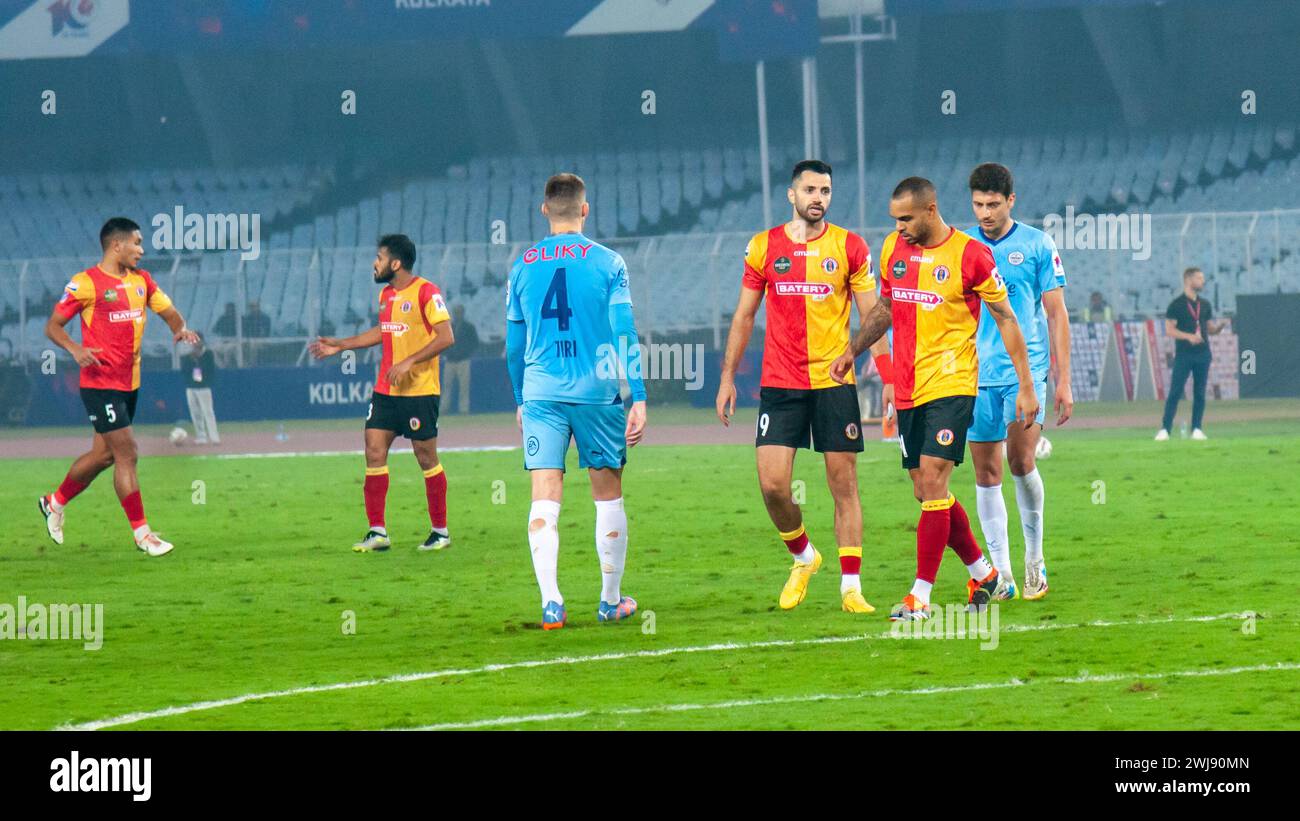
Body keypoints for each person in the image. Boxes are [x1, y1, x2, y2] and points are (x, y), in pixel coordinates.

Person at [830, 177, 1038, 621]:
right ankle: (984, 574)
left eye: (906, 218)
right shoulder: (892, 250)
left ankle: (919, 597)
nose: (899, 227)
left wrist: (1026, 384)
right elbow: (885, 308)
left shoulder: (971, 255)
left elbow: (1005, 317)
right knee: (926, 490)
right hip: (908, 389)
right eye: (894, 219)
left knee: (935, 480)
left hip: (952, 384)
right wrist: (852, 351)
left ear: (930, 209)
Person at [715, 159, 892, 615]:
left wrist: (888, 378)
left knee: (843, 485)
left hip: (834, 383)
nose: (819, 198)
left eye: (826, 190)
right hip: (780, 381)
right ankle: (804, 556)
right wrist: (727, 378)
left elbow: (875, 315)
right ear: (791, 196)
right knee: (773, 485)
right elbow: (744, 316)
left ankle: (851, 588)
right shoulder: (763, 247)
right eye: (810, 189)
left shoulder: (850, 247)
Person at [506, 172, 646, 630]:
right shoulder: (609, 263)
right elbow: (624, 332)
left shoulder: (523, 265)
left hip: (542, 393)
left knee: (544, 500)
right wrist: (638, 395)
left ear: (544, 209)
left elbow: (513, 346)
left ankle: (551, 603)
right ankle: (609, 601)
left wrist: (520, 399)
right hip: (597, 392)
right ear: (586, 210)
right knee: (607, 496)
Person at [37, 217, 200, 557]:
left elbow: (170, 313)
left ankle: (54, 502)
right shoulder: (85, 284)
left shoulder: (143, 281)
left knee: (104, 455)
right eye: (137, 243)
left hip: (130, 384)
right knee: (128, 453)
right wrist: (76, 350)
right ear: (116, 245)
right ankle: (143, 535)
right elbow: (52, 326)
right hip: (99, 384)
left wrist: (179, 329)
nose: (141, 250)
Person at [965, 163, 1073, 601]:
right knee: (985, 473)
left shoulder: (1036, 244)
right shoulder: (962, 246)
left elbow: (1056, 313)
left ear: (1011, 201)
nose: (986, 212)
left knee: (1020, 462)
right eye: (978, 204)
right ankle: (1002, 575)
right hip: (973, 376)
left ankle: (1034, 561)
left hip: (1024, 375)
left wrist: (1062, 381)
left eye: (993, 204)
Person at [310, 234, 456, 552]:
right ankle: (377, 532)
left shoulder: (427, 293)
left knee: (426, 456)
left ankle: (440, 532)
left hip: (419, 391)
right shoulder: (386, 295)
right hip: (385, 391)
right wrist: (341, 344)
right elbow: (383, 331)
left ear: (396, 263)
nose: (374, 264)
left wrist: (409, 362)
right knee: (374, 451)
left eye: (379, 257)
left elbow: (446, 337)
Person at [1157, 267, 1224, 441]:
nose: (1202, 282)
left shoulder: (1205, 304)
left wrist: (1218, 328)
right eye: (1199, 278)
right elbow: (1170, 330)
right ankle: (1165, 429)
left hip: (1202, 354)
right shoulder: (1176, 305)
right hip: (1184, 354)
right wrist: (1188, 337)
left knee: (1200, 392)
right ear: (1188, 280)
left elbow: (1209, 328)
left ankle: (1197, 428)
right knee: (1175, 391)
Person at [441, 303, 479, 414]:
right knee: (447, 386)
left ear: (463, 313)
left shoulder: (469, 327)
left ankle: (464, 409)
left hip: (463, 361)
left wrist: (466, 353)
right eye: (455, 312)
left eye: (459, 312)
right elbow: (443, 342)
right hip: (450, 361)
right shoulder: (449, 326)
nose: (457, 314)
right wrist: (447, 353)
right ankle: (444, 408)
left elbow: (474, 343)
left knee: (464, 387)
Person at [184, 331, 221, 445]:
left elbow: (209, 370)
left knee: (208, 412)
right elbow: (185, 371)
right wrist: (193, 361)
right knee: (195, 413)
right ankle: (201, 436)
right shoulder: (187, 357)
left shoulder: (208, 354)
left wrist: (198, 361)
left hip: (204, 387)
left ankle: (214, 437)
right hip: (191, 387)